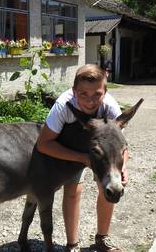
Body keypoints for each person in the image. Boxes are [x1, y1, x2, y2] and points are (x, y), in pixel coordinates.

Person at [36, 64, 129, 252]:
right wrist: (81, 158)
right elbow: (43, 144)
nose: (90, 101)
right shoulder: (63, 106)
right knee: (72, 191)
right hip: (70, 148)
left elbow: (121, 146)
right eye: (83, 94)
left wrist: (122, 168)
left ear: (105, 91)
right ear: (73, 91)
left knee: (108, 189)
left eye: (97, 94)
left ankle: (102, 238)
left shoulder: (110, 107)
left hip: (103, 152)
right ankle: (72, 244)